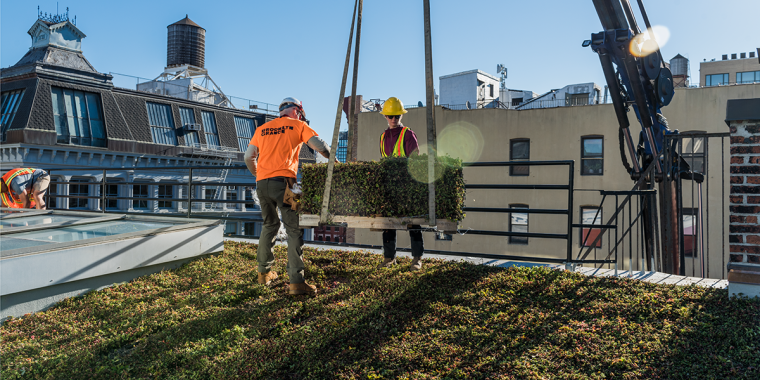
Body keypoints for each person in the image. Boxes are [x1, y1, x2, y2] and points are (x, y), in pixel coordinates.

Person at [244, 97, 333, 296]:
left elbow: (248, 157)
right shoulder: (298, 125)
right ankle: (297, 282)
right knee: (293, 229)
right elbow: (321, 147)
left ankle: (264, 274)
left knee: (269, 225)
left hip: (262, 183)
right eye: (300, 114)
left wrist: (259, 175)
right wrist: (333, 158)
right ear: (296, 111)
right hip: (286, 183)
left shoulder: (263, 129)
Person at [378, 97, 424, 271]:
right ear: (386, 117)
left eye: (397, 116)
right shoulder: (382, 137)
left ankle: (417, 259)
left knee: (413, 221)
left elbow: (415, 160)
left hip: (407, 185)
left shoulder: (408, 134)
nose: (394, 119)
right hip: (390, 185)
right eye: (390, 116)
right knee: (388, 222)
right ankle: (389, 258)